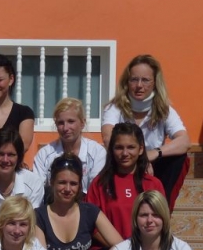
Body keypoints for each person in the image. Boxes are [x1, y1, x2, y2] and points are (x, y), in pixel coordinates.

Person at [101, 55, 191, 210]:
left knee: (180, 158)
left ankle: (161, 208)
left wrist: (153, 153)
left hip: (152, 165)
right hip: (123, 161)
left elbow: (184, 141)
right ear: (127, 82)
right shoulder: (115, 107)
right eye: (134, 80)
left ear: (155, 82)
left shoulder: (164, 109)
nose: (139, 85)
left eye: (145, 80)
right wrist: (137, 158)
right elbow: (108, 137)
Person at [35, 154, 123, 250]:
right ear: (51, 182)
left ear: (80, 186)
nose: (67, 189)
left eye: (73, 184)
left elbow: (121, 245)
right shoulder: (39, 216)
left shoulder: (90, 211)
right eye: (62, 182)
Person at [86, 122, 165, 240]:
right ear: (112, 150)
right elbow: (90, 224)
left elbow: (161, 221)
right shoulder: (100, 184)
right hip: (109, 248)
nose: (125, 153)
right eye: (119, 147)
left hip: (144, 248)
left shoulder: (153, 184)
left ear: (140, 149)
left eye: (131, 147)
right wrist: (120, 247)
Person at [31, 98, 107, 194]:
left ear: (82, 123)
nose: (65, 128)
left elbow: (96, 191)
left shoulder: (97, 152)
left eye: (71, 121)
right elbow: (37, 191)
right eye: (60, 123)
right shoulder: (44, 155)